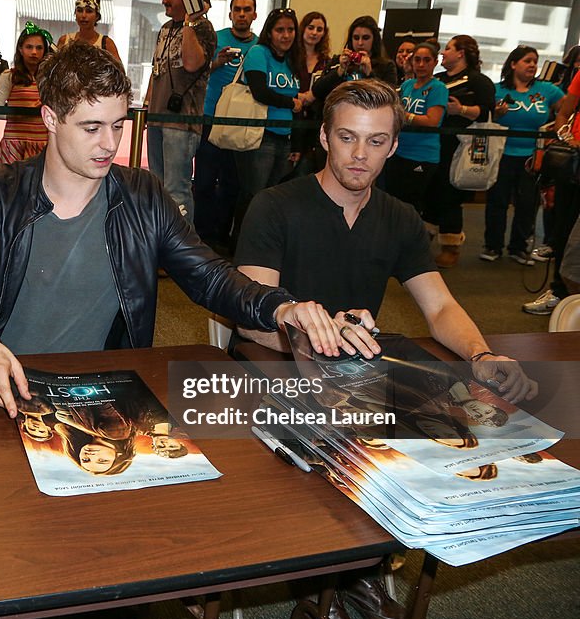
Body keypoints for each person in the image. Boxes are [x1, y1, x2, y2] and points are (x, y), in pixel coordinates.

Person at [0, 41, 360, 418]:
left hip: (101, 393)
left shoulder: (142, 196)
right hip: (3, 388)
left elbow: (209, 277)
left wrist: (283, 309)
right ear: (51, 119)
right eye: (91, 128)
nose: (110, 144)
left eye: (117, 125)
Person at [234, 79, 537, 404]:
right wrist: (324, 339)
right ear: (325, 137)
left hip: (352, 378)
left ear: (393, 146)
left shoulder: (401, 218)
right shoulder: (273, 207)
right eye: (346, 137)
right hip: (271, 373)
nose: (360, 154)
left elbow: (440, 307)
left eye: (376, 141)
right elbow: (250, 322)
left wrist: (481, 356)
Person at [483, 45, 564, 264]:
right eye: (527, 60)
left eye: (535, 61)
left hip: (532, 155)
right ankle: (493, 246)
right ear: (513, 64)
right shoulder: (497, 89)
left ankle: (518, 247)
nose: (532, 65)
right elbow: (485, 117)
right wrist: (496, 113)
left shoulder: (547, 91)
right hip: (501, 154)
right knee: (497, 201)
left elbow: (566, 111)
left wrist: (555, 128)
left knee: (527, 202)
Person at [231, 8, 309, 233]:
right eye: (280, 30)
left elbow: (298, 103)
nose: (286, 35)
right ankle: (240, 245)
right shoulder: (258, 52)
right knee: (254, 196)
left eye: (291, 30)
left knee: (271, 198)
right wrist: (291, 102)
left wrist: (296, 144)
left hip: (284, 138)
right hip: (259, 136)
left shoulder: (293, 60)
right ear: (270, 32)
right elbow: (260, 91)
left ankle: (261, 246)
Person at [145, 0, 215, 220]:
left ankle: (182, 251)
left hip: (182, 120)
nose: (164, 1)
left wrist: (189, 23)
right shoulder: (165, 29)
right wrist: (147, 106)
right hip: (156, 118)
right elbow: (157, 69)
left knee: (177, 190)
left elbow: (192, 63)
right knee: (157, 187)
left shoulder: (203, 28)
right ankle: (158, 243)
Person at [422, 35, 495, 268]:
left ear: (461, 53)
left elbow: (486, 112)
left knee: (451, 193)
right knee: (431, 189)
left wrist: (461, 109)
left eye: (449, 48)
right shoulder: (438, 79)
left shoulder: (479, 81)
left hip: (461, 145)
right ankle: (425, 238)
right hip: (434, 143)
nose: (443, 53)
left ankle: (451, 245)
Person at [193, 0, 257, 250]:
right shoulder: (216, 38)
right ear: (230, 13)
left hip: (242, 123)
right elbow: (195, 68)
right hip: (210, 118)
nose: (242, 14)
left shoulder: (260, 47)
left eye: (247, 9)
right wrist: (216, 62)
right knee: (205, 180)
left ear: (254, 14)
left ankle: (222, 237)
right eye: (237, 9)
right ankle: (202, 236)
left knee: (233, 184)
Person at [524, 65, 580, 313]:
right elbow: (563, 114)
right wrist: (569, 140)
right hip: (575, 165)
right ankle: (560, 293)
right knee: (565, 231)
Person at [385, 41, 447, 213]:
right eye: (417, 60)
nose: (421, 65)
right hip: (399, 151)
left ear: (435, 62)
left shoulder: (438, 88)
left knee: (411, 203)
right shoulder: (407, 85)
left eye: (426, 60)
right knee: (392, 199)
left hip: (422, 154)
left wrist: (406, 116)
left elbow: (432, 121)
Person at [0, 22, 52, 164]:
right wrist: (21, 112)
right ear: (20, 49)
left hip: (43, 142)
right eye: (29, 47)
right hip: (13, 143)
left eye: (39, 48)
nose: (34, 52)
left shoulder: (52, 78)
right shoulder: (9, 76)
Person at [311, 15, 398, 103]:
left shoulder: (386, 66)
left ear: (374, 39)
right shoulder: (337, 61)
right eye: (356, 38)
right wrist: (339, 71)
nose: (360, 43)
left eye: (365, 38)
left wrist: (370, 74)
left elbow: (389, 99)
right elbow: (316, 91)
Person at [291, 11, 329, 178]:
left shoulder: (327, 61)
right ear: (303, 29)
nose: (314, 33)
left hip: (314, 123)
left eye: (319, 29)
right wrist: (299, 96)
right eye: (311, 27)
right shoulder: (290, 57)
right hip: (292, 118)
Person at [56, 0, 121, 65]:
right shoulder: (64, 41)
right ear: (75, 14)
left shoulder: (106, 44)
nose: (83, 15)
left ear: (97, 16)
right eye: (80, 10)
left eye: (89, 11)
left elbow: (120, 73)